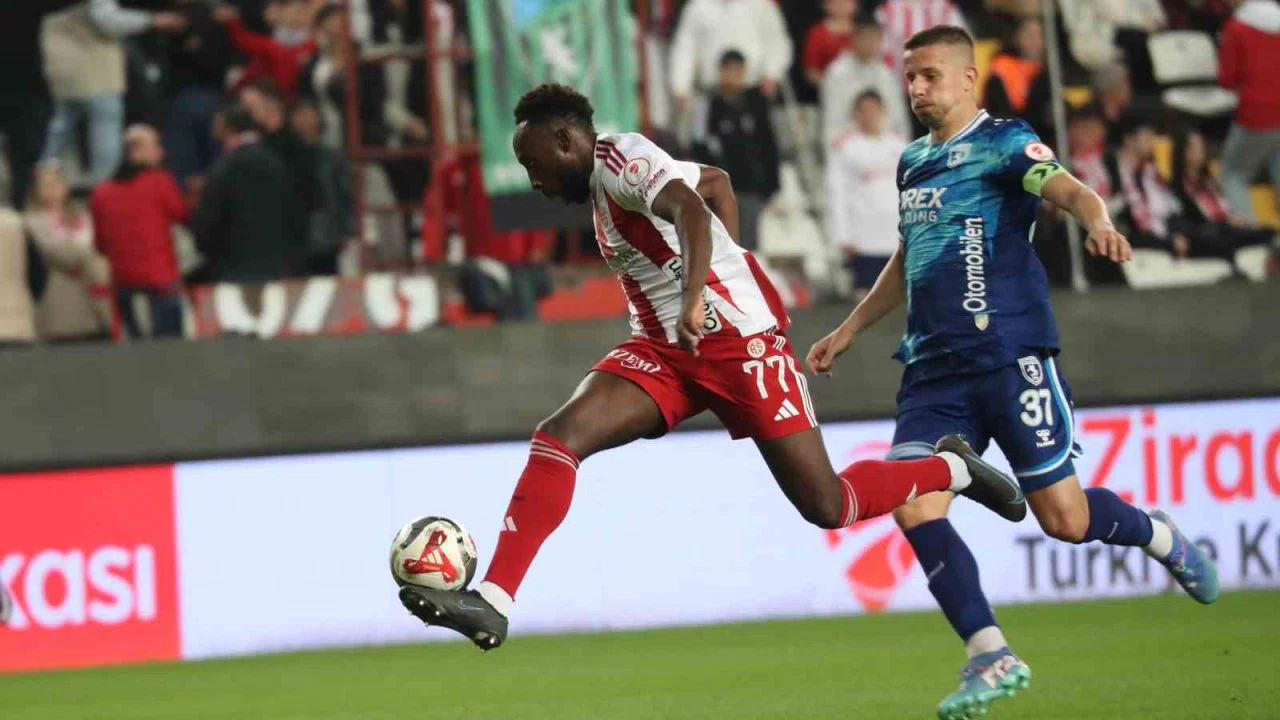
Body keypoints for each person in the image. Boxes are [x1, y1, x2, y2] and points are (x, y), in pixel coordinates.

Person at [397, 82, 1029, 651]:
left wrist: (703, 292)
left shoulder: (624, 160)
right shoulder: (606, 185)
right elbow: (718, 183)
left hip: (741, 346)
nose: (532, 180)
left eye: (534, 163)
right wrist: (726, 264)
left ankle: (952, 468)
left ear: (566, 140)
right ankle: (495, 600)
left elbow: (693, 210)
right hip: (664, 350)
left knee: (828, 504)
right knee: (558, 439)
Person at [805, 26, 1219, 720]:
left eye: (930, 75)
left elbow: (1069, 189)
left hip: (1008, 357)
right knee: (913, 503)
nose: (916, 89)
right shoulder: (912, 162)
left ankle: (1157, 535)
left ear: (969, 77)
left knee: (1066, 520)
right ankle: (989, 652)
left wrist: (1097, 219)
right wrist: (849, 329)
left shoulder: (1004, 142)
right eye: (910, 77)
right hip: (932, 370)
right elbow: (909, 256)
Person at [90, 125, 189, 339]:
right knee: (172, 347)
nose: (161, 152)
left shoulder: (101, 192)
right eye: (155, 145)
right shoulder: (160, 182)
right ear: (137, 151)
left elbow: (100, 244)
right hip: (162, 280)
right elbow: (183, 214)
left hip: (123, 282)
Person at [191, 103, 298, 286]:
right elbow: (295, 213)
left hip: (232, 271)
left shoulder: (223, 168)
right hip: (278, 269)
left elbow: (208, 222)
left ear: (227, 128)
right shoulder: (277, 163)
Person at [691, 50, 780, 252]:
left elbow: (768, 144)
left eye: (739, 71)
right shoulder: (707, 104)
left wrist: (771, 186)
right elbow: (698, 145)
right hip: (719, 189)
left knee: (748, 247)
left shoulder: (756, 103)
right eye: (729, 70)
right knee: (723, 245)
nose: (734, 76)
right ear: (721, 72)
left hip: (750, 187)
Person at [826, 90, 906, 298]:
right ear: (855, 114)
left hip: (895, 235)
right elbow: (837, 193)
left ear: (883, 111)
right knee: (866, 298)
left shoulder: (900, 145)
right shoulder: (845, 147)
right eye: (864, 111)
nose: (869, 116)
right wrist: (843, 235)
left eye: (873, 110)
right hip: (864, 236)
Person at [23, 163, 115, 342]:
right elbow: (57, 251)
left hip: (94, 300)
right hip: (59, 300)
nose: (52, 190)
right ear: (35, 190)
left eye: (56, 184)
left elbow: (102, 245)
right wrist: (89, 256)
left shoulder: (84, 216)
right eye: (45, 185)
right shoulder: (31, 221)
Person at [1217, 0, 1280, 224]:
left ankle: (1250, 233)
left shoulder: (1237, 28)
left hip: (1256, 112)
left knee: (1233, 174)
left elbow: (1227, 79)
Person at [822, 19, 910, 147]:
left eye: (875, 39)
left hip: (885, 145)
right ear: (854, 38)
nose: (870, 44)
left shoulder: (886, 75)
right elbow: (832, 123)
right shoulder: (836, 74)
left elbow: (900, 122)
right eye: (866, 38)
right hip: (851, 145)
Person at [803, 0, 859, 86]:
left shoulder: (863, 30)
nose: (842, 5)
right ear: (826, 5)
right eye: (837, 2)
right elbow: (812, 71)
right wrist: (833, 86)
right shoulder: (817, 33)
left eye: (847, 1)